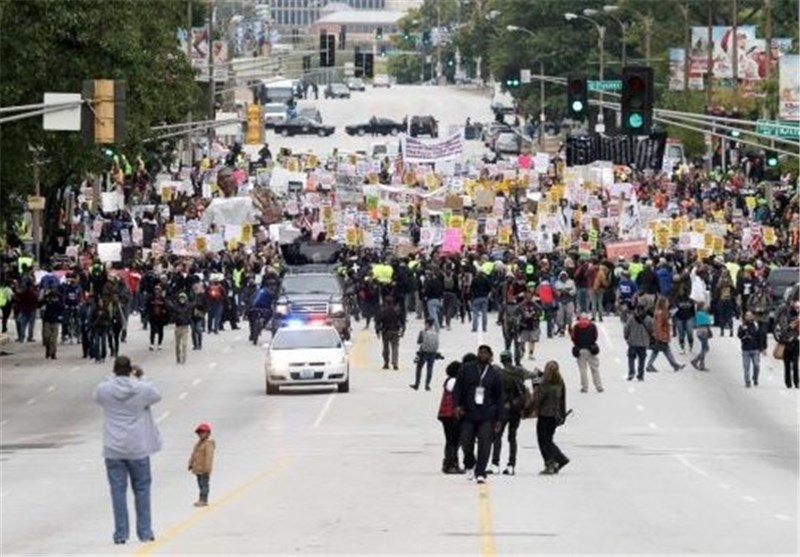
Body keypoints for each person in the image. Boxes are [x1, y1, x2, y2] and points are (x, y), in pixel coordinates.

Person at [93, 357, 162, 545]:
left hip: (113, 448)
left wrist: (112, 377)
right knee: (142, 489)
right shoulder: (140, 388)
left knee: (117, 491)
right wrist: (141, 377)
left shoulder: (106, 389)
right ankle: (145, 532)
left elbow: (97, 394)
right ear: (130, 370)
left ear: (114, 370)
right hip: (138, 447)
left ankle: (121, 533)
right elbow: (156, 394)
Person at [453, 345, 504, 484]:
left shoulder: (495, 374)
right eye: (480, 352)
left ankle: (480, 472)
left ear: (490, 356)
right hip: (468, 412)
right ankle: (470, 463)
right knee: (466, 441)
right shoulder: (466, 369)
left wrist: (499, 418)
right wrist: (457, 405)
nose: (483, 355)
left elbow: (500, 397)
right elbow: (457, 388)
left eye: (486, 353)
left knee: (485, 443)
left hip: (487, 414)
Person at [490, 351, 531, 476]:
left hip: (503, 409)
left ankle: (495, 464)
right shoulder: (519, 371)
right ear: (511, 359)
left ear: (502, 360)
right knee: (512, 437)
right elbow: (533, 375)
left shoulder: (499, 374)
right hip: (517, 409)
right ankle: (511, 464)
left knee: (498, 436)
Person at [532, 361, 569, 475]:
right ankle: (560, 459)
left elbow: (538, 398)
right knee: (549, 439)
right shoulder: (560, 382)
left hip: (544, 415)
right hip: (555, 416)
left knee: (543, 441)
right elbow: (563, 400)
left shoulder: (545, 383)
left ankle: (550, 463)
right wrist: (562, 415)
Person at [646, 297, 685, 373]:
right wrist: (660, 337)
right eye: (667, 302)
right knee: (666, 350)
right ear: (663, 304)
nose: (668, 304)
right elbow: (658, 325)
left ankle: (650, 365)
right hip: (661, 336)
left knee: (657, 351)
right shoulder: (660, 313)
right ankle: (675, 366)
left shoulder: (661, 312)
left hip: (661, 335)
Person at [437, 360, 463, 474]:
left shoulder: (450, 380)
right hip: (450, 414)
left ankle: (452, 463)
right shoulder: (453, 381)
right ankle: (450, 464)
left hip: (447, 414)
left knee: (452, 440)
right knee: (453, 440)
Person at [571, 312, 603, 392]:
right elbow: (595, 336)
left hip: (580, 350)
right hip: (591, 350)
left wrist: (577, 343)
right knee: (595, 369)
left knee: (583, 370)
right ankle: (599, 386)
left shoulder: (576, 327)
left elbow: (573, 337)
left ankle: (585, 387)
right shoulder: (592, 326)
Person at [188, 423, 216, 507]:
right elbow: (193, 455)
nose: (201, 434)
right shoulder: (198, 444)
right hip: (198, 469)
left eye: (203, 432)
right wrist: (190, 463)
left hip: (204, 470)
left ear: (208, 433)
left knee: (204, 485)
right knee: (200, 484)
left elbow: (209, 457)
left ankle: (203, 500)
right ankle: (201, 499)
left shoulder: (208, 444)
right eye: (199, 433)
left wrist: (207, 469)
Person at [774, 299, 800, 389]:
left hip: (796, 343)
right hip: (786, 344)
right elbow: (782, 330)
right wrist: (790, 326)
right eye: (796, 307)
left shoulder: (798, 316)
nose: (797, 309)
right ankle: (788, 383)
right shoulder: (784, 316)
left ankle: (796, 382)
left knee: (796, 364)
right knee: (787, 365)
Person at [624, 304, 652, 381]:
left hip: (632, 341)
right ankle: (640, 375)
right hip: (643, 343)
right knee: (642, 359)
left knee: (631, 358)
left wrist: (626, 336)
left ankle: (631, 372)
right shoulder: (648, 319)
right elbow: (651, 330)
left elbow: (626, 328)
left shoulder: (631, 318)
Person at [375, 294, 403, 370]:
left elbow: (378, 321)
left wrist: (377, 331)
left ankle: (386, 363)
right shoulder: (397, 310)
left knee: (386, 348)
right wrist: (403, 329)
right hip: (395, 330)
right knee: (395, 347)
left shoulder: (383, 311)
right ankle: (395, 363)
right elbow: (402, 320)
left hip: (386, 331)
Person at [411, 318, 439, 391]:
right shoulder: (435, 332)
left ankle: (417, 384)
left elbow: (418, 342)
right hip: (432, 353)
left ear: (427, 324)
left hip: (424, 352)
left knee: (419, 367)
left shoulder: (422, 332)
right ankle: (427, 385)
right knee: (429, 369)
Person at [737, 311, 761, 388]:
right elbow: (739, 335)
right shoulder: (742, 325)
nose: (749, 317)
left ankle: (755, 377)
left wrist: (762, 347)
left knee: (756, 365)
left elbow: (760, 336)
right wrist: (743, 331)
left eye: (750, 315)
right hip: (746, 349)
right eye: (747, 315)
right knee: (746, 367)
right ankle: (747, 381)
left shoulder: (756, 325)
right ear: (745, 317)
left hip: (755, 348)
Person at [39, 289, 63, 360]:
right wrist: (45, 298)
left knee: (54, 338)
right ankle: (48, 349)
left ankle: (53, 353)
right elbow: (39, 304)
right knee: (47, 337)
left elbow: (61, 308)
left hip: (55, 320)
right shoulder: (46, 300)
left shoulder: (58, 300)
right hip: (47, 320)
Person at [691, 302, 713, 371]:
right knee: (705, 348)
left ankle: (701, 364)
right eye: (705, 306)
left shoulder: (697, 314)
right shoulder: (704, 314)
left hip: (699, 332)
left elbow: (695, 323)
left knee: (704, 348)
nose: (706, 307)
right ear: (701, 307)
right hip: (704, 332)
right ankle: (696, 361)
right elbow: (709, 323)